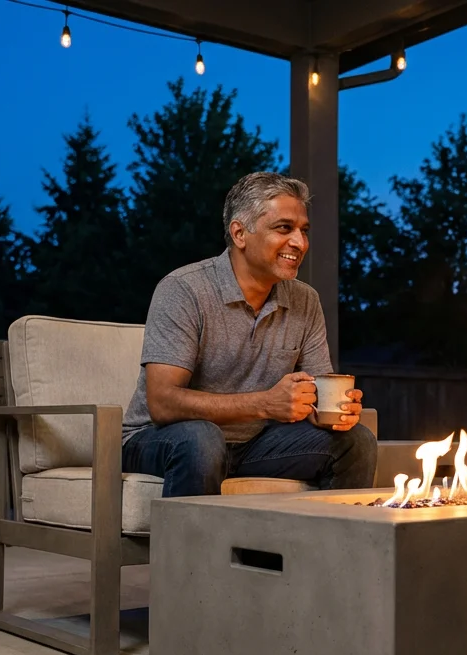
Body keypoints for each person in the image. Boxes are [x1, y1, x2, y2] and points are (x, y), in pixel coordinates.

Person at [121, 172, 377, 497]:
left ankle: (330, 533)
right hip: (159, 438)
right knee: (202, 440)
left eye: (303, 230)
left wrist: (329, 411)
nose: (300, 243)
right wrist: (265, 404)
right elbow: (163, 403)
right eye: (284, 228)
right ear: (240, 233)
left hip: (254, 444)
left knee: (356, 441)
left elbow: (317, 392)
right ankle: (189, 535)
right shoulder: (184, 289)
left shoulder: (305, 300)